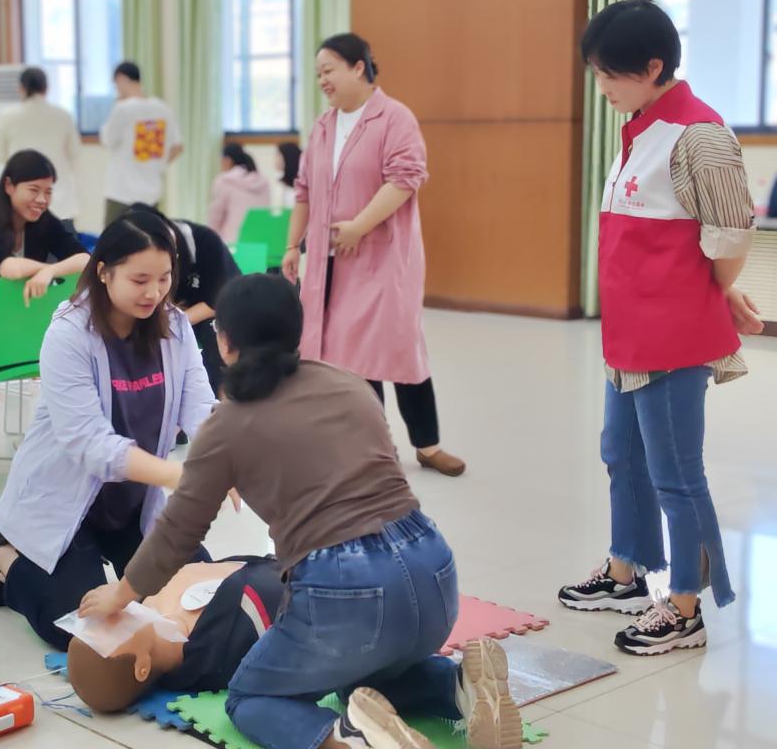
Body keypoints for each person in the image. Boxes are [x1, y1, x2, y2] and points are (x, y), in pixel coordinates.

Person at [79, 275, 522, 749]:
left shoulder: (227, 424)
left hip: (348, 592)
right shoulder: (349, 384)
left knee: (250, 697)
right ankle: (461, 687)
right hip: (434, 571)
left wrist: (122, 594)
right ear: (298, 332)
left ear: (224, 342)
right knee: (361, 677)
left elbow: (178, 532)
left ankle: (353, 740)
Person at [557, 0, 763, 656]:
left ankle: (684, 606)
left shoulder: (700, 135)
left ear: (651, 67)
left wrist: (719, 292)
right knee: (620, 454)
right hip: (629, 333)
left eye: (607, 74)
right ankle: (625, 570)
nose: (601, 87)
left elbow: (729, 236)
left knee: (676, 473)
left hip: (672, 337)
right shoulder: (641, 128)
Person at [0, 208, 221, 650]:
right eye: (140, 280)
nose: (154, 292)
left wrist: (224, 458)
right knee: (81, 628)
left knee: (194, 601)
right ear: (104, 272)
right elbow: (89, 444)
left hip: (131, 502)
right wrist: (175, 474)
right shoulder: (69, 334)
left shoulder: (175, 328)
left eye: (164, 278)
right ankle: (5, 558)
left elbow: (200, 407)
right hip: (65, 504)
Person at [281, 33, 465, 477]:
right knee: (348, 357)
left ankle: (428, 445)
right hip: (328, 261)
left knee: (399, 349)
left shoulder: (394, 117)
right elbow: (303, 190)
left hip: (382, 258)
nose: (322, 80)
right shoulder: (323, 126)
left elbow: (405, 178)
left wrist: (359, 226)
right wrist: (291, 244)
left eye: (329, 70)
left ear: (358, 67)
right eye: (318, 73)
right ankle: (373, 447)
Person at [0, 150, 90, 492]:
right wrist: (49, 269)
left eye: (48, 192)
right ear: (9, 185)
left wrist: (50, 270)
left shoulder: (44, 223)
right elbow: (8, 268)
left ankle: (60, 449)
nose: (42, 200)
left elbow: (85, 259)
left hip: (21, 333)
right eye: (33, 190)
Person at [67, 556, 285, 712]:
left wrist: (123, 591)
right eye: (108, 632)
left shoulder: (146, 603)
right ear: (142, 667)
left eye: (92, 626)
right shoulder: (218, 643)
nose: (107, 617)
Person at [131, 204, 240, 395]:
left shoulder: (205, 241)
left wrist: (172, 321)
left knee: (214, 330)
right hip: (170, 312)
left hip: (213, 312)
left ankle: (214, 398)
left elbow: (217, 302)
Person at [0, 67, 82, 234]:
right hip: (60, 201)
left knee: (24, 250)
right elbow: (75, 153)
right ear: (46, 88)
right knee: (65, 248)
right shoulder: (63, 115)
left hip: (23, 205)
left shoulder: (7, 117)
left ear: (21, 88)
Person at [100, 62, 183, 226]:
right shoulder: (163, 108)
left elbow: (107, 140)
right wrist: (159, 165)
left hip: (121, 192)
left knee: (113, 239)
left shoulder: (123, 108)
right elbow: (178, 147)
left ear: (121, 79)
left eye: (116, 85)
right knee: (147, 237)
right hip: (151, 193)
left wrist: (117, 104)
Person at [207, 143, 271, 245]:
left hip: (232, 244)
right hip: (259, 243)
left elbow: (215, 216)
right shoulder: (264, 182)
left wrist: (209, 239)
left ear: (227, 160)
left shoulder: (224, 181)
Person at [277, 141, 302, 209]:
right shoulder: (281, 182)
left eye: (278, 156)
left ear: (287, 157)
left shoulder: (300, 186)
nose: (275, 160)